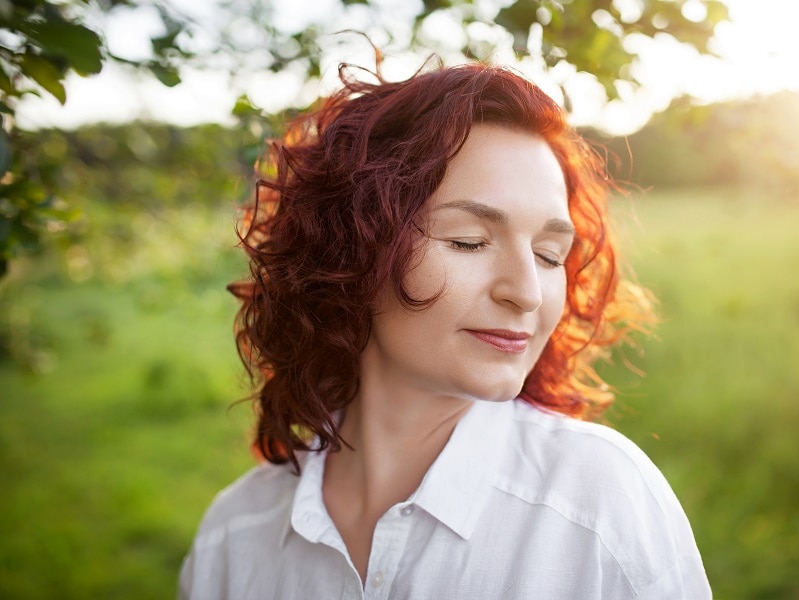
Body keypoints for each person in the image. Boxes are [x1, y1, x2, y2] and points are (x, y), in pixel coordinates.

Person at [179, 58, 711, 599]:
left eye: (550, 255)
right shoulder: (234, 536)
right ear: (351, 249)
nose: (525, 292)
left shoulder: (597, 505)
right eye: (468, 242)